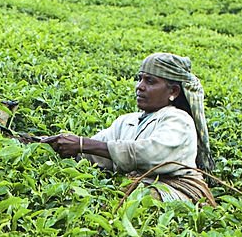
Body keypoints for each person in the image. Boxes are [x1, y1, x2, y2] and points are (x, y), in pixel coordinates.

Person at [38, 52, 217, 204]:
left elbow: (152, 154)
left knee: (140, 199)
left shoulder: (179, 120)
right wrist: (50, 143)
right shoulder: (127, 121)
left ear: (173, 92)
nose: (139, 87)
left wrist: (83, 143)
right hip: (137, 186)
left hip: (176, 190)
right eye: (139, 79)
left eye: (150, 81)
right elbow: (96, 151)